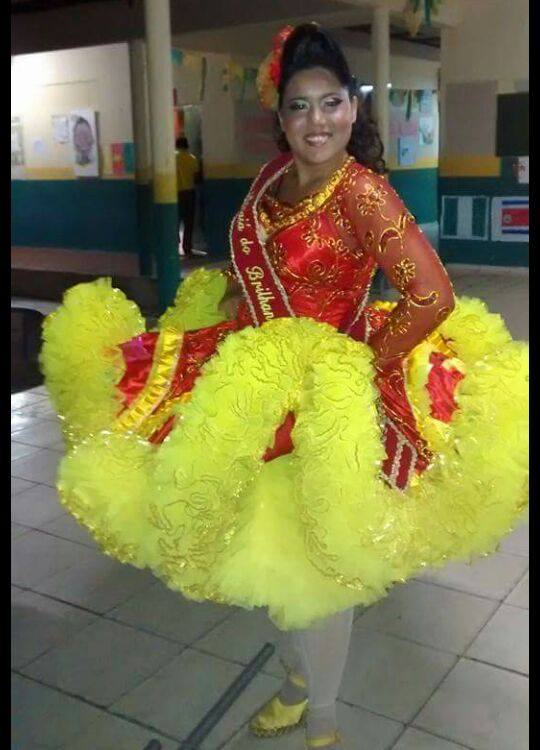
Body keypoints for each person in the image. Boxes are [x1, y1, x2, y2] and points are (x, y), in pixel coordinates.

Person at [41, 24, 528, 749]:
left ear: (353, 107)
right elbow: (263, 266)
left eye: (331, 103)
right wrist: (235, 295)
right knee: (261, 549)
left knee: (320, 565)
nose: (316, 121)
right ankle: (298, 682)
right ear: (282, 116)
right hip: (251, 383)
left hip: (327, 402)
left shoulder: (362, 192)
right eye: (300, 106)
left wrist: (362, 367)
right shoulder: (274, 177)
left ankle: (322, 724)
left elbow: (431, 296)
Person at [175, 135, 205, 257]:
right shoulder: (192, 159)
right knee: (189, 222)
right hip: (189, 193)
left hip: (174, 194)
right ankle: (187, 247)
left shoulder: (173, 158)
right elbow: (196, 177)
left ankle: (174, 245)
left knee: (175, 221)